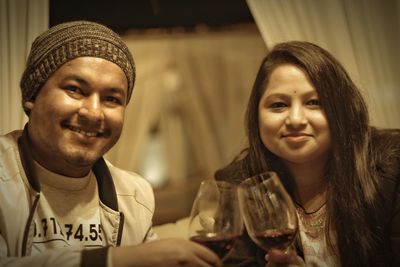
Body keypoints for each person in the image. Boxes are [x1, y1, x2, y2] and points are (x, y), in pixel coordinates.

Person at [0, 20, 222, 267]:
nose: (94, 113)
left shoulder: (134, 195)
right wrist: (112, 260)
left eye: (111, 99)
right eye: (75, 89)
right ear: (32, 96)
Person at [215, 41, 400, 266]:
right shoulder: (238, 185)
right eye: (278, 105)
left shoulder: (392, 167)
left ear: (342, 109)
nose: (295, 120)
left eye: (314, 102)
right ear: (256, 115)